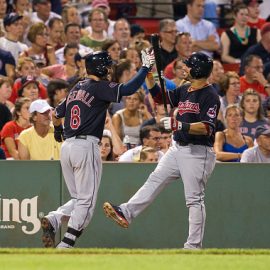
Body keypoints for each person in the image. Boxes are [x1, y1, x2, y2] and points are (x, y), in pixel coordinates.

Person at [103, 52, 220, 249]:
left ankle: (193, 246)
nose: (185, 68)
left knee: (194, 199)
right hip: (178, 148)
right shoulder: (185, 89)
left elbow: (207, 127)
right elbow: (159, 96)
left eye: (189, 65)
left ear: (198, 70)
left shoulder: (210, 95)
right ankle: (127, 212)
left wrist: (179, 124)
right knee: (155, 179)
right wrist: (148, 73)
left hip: (198, 152)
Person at [40, 49, 155, 248]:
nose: (110, 70)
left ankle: (54, 218)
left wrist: (58, 132)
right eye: (108, 66)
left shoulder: (77, 87)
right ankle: (65, 246)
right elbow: (127, 89)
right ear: (101, 67)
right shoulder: (98, 86)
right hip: (86, 146)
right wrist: (145, 68)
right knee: (87, 202)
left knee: (79, 199)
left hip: (67, 147)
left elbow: (56, 114)